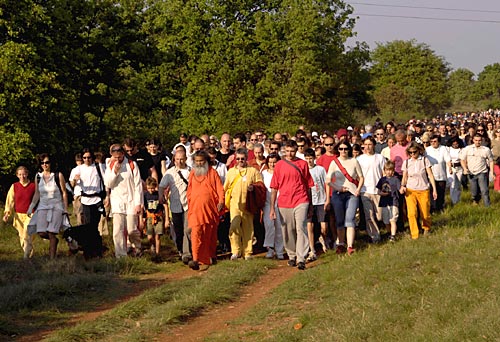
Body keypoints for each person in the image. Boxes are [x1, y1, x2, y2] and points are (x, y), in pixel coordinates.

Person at [270, 140, 314, 271]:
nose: (289, 154)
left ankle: (301, 258)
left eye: (292, 151)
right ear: (284, 151)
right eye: (287, 151)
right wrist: (272, 207)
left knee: (301, 227)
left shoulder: (303, 164)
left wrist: (310, 204)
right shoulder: (279, 165)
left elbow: (309, 185)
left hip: (301, 199)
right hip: (284, 201)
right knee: (288, 230)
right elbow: (274, 187)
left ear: (296, 151)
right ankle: (292, 255)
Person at [187, 150, 225, 270]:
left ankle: (211, 256)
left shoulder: (212, 173)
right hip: (195, 210)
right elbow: (189, 191)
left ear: (206, 161)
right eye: (197, 161)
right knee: (196, 233)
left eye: (201, 161)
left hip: (210, 210)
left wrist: (221, 201)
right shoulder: (192, 173)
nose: (199, 163)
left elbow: (220, 189)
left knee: (209, 234)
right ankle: (195, 259)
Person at [104, 144, 143, 258]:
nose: (117, 160)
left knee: (131, 230)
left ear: (122, 154)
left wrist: (138, 203)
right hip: (117, 202)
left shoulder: (132, 164)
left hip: (131, 201)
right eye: (115, 157)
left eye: (119, 157)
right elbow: (108, 184)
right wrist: (114, 172)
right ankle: (121, 256)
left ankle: (137, 246)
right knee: (118, 231)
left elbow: (138, 185)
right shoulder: (110, 166)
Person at [324, 142, 364, 255]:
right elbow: (328, 180)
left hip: (352, 194)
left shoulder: (354, 161)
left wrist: (358, 189)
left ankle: (350, 246)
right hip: (338, 194)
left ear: (349, 149)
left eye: (345, 148)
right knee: (340, 220)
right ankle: (341, 243)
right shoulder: (334, 162)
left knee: (350, 219)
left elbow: (361, 177)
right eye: (341, 149)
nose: (343, 151)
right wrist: (338, 188)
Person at [27, 154, 69, 259]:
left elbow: (64, 192)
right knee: (41, 232)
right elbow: (37, 193)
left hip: (56, 206)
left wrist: (65, 208)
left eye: (47, 162)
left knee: (51, 232)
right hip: (43, 205)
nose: (45, 165)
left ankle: (52, 259)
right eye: (42, 163)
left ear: (50, 163)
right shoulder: (38, 176)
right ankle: (54, 240)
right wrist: (31, 206)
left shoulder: (58, 175)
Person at [224, 148, 263, 260]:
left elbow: (260, 185)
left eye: (242, 158)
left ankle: (248, 252)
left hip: (248, 204)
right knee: (234, 227)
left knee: (248, 229)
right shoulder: (231, 172)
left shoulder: (253, 171)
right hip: (234, 204)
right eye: (238, 158)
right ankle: (236, 251)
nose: (240, 160)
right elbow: (225, 188)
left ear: (246, 158)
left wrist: (254, 188)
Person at [72, 148, 106, 257]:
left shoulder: (98, 167)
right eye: (84, 158)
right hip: (85, 200)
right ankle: (89, 251)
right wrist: (75, 180)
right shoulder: (78, 169)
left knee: (95, 226)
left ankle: (97, 250)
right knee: (87, 227)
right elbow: (71, 184)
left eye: (89, 157)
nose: (87, 159)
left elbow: (106, 182)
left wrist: (107, 197)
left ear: (92, 157)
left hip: (97, 200)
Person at [159, 150, 192, 263]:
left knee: (187, 229)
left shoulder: (191, 171)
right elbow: (161, 186)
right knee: (178, 231)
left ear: (186, 158)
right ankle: (181, 250)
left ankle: (187, 253)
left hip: (188, 205)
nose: (179, 161)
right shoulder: (170, 172)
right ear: (174, 159)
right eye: (177, 159)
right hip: (175, 205)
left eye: (182, 159)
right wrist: (161, 197)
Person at [400, 142, 437, 239]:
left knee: (425, 213)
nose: (412, 154)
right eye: (410, 152)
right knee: (412, 213)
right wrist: (402, 186)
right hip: (410, 190)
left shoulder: (424, 160)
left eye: (414, 152)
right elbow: (404, 177)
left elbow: (430, 175)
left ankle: (426, 227)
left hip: (423, 189)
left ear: (419, 151)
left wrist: (434, 190)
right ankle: (414, 234)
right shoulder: (407, 162)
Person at [3, 166, 36, 259]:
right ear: (17, 175)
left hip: (31, 214)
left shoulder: (33, 186)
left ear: (27, 174)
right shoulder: (14, 186)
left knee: (27, 232)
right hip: (18, 215)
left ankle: (25, 256)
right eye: (20, 174)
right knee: (22, 236)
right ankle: (30, 252)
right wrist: (7, 213)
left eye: (24, 174)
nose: (22, 176)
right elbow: (10, 200)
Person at [357, 136, 385, 243]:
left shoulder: (380, 157)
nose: (368, 147)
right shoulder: (359, 159)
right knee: (369, 216)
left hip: (377, 190)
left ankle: (380, 229)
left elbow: (383, 173)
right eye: (366, 144)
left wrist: (384, 187)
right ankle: (375, 236)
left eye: (370, 144)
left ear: (373, 145)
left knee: (379, 216)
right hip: (365, 190)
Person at [304, 149, 328, 262]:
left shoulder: (320, 169)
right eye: (307, 158)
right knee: (310, 226)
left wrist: (327, 199)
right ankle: (312, 249)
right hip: (309, 202)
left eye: (310, 158)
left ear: (314, 158)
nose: (309, 160)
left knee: (324, 227)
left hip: (321, 200)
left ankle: (324, 240)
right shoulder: (303, 170)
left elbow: (326, 184)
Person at [460, 134, 495, 207]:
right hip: (471, 173)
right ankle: (475, 200)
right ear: (473, 140)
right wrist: (465, 168)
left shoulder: (486, 150)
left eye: (479, 140)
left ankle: (487, 206)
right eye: (476, 140)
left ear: (481, 140)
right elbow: (462, 159)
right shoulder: (467, 149)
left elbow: (491, 161)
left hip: (482, 172)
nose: (477, 142)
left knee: (484, 190)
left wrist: (492, 172)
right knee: (474, 191)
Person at [261, 153, 284, 259]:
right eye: (270, 162)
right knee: (269, 226)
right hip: (267, 204)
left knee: (280, 228)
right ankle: (270, 249)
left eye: (274, 162)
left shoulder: (281, 172)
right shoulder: (263, 173)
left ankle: (279, 251)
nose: (272, 164)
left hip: (280, 203)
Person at [376, 161, 401, 242]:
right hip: (384, 202)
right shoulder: (382, 180)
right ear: (384, 170)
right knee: (386, 220)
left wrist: (402, 189)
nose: (389, 172)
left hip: (393, 202)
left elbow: (400, 189)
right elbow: (378, 191)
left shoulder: (396, 179)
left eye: (390, 170)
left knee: (392, 219)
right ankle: (389, 233)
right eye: (387, 170)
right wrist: (381, 193)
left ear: (393, 170)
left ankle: (393, 235)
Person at [425, 135, 451, 213]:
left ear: (438, 142)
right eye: (431, 142)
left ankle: (440, 207)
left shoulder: (443, 149)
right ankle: (433, 208)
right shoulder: (427, 150)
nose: (433, 143)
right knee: (432, 192)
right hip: (431, 175)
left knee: (441, 192)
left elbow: (448, 159)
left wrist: (449, 167)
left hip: (441, 174)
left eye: (435, 141)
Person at [143, 177, 166, 261]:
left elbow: (165, 205)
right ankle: (152, 246)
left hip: (158, 216)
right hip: (149, 217)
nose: (151, 190)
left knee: (158, 236)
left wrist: (166, 219)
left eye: (152, 188)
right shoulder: (145, 195)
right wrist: (143, 218)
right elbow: (144, 207)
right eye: (149, 188)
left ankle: (157, 253)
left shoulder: (158, 194)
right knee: (149, 236)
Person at [447, 136, 465, 205]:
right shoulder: (448, 149)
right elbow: (447, 159)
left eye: (456, 144)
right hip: (451, 167)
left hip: (459, 167)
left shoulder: (461, 149)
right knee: (453, 184)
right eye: (453, 144)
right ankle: (453, 200)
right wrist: (449, 168)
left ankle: (458, 199)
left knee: (458, 184)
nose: (455, 145)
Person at [69, 153, 84, 225]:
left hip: (86, 194)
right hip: (77, 193)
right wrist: (75, 180)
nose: (80, 162)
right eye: (78, 161)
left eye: (81, 161)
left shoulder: (86, 169)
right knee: (78, 213)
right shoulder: (74, 170)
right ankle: (80, 229)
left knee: (84, 214)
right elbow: (72, 185)